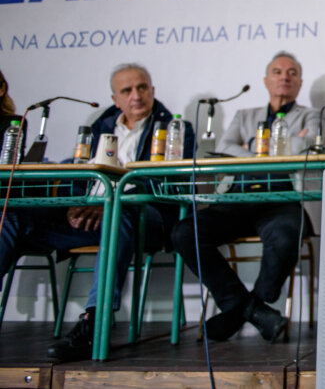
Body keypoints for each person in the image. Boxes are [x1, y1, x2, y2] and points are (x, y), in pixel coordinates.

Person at [1, 63, 193, 362]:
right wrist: (74, 204)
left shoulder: (175, 129)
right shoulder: (98, 127)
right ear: (115, 99)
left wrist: (110, 203)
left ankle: (94, 324)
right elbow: (78, 172)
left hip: (142, 215)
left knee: (119, 215)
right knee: (15, 216)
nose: (136, 96)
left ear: (152, 90)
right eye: (127, 91)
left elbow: (169, 182)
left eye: (142, 87)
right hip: (89, 216)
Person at [172, 51, 319, 342]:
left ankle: (243, 309)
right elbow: (224, 148)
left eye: (292, 73)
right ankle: (252, 309)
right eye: (278, 72)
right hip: (236, 198)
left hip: (281, 197)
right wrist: (281, 145)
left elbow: (309, 146)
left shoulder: (311, 115)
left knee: (287, 235)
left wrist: (250, 146)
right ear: (266, 80)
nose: (284, 77)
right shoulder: (244, 115)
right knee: (184, 232)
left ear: (300, 83)